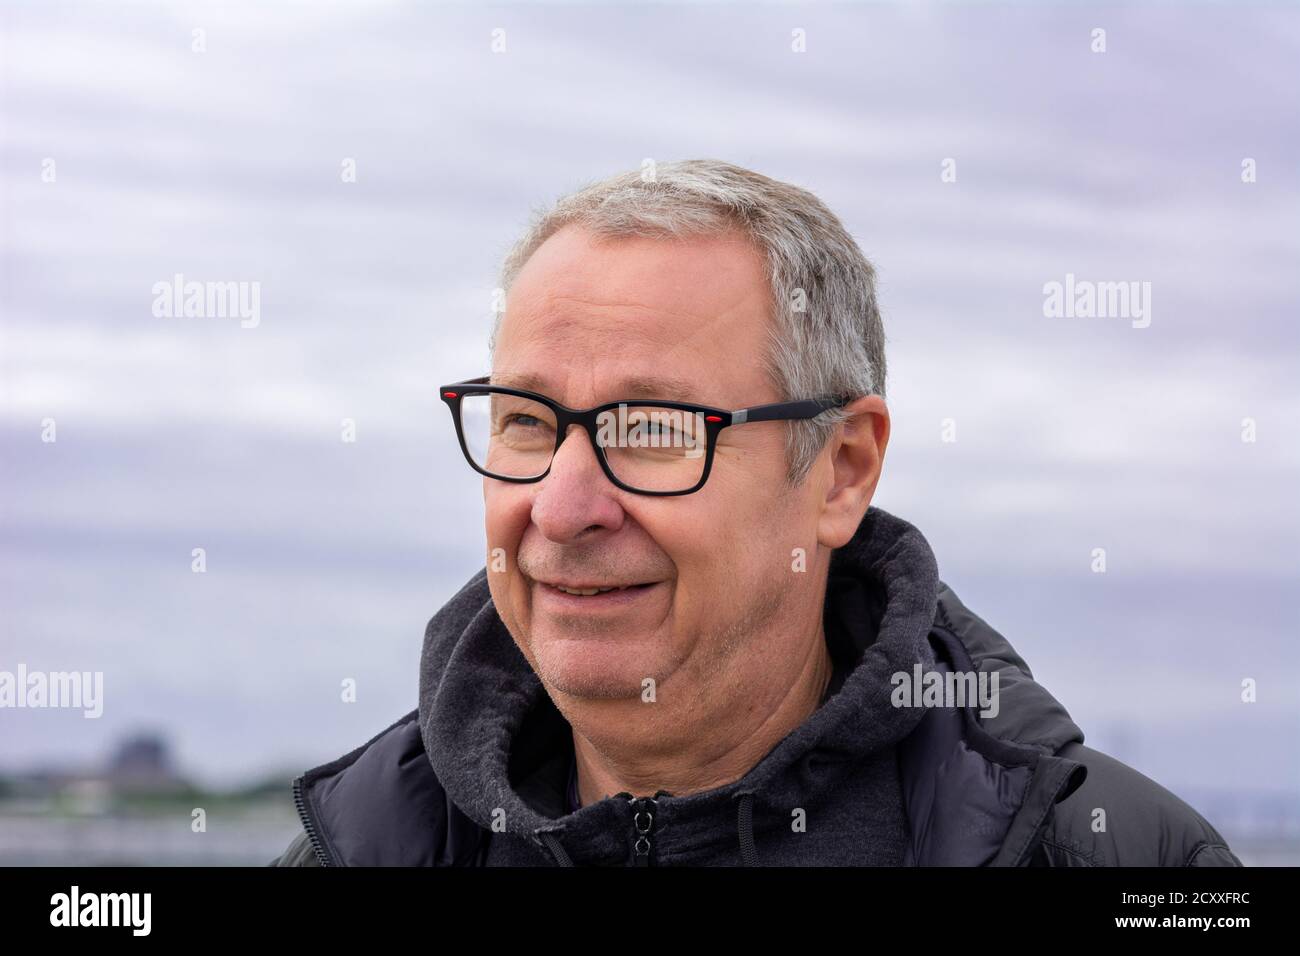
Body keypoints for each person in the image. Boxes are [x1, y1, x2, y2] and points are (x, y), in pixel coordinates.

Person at [270, 159, 1240, 867]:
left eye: (650, 427)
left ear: (840, 471)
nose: (561, 508)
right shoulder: (362, 845)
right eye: (527, 420)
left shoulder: (1109, 856)